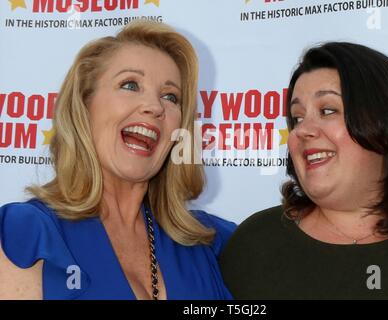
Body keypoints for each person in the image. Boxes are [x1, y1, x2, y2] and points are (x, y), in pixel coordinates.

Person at [0, 20, 236, 300]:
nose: (155, 107)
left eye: (170, 96)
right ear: (84, 106)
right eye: (130, 84)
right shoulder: (25, 234)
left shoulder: (212, 241)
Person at [220, 42, 388, 299]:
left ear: (387, 124)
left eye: (327, 110)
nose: (303, 130)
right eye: (297, 117)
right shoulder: (254, 244)